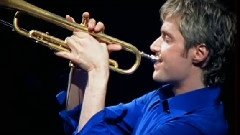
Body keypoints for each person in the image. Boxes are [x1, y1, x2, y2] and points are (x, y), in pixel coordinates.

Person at [55, 0, 236, 134]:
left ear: (199, 53)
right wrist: (82, 69)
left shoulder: (194, 127)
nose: (153, 46)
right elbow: (81, 123)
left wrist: (97, 71)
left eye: (167, 38)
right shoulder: (162, 97)